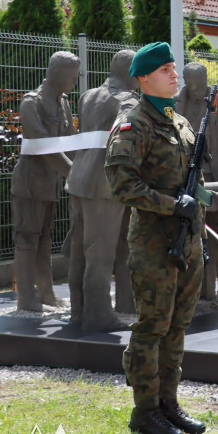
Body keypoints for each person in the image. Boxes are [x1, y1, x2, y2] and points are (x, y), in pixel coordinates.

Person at [105, 42, 208, 434]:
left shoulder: (179, 123)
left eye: (174, 67)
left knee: (178, 326)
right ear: (144, 77)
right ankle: (145, 410)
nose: (174, 73)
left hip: (187, 242)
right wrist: (170, 205)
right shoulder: (135, 123)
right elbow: (122, 185)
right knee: (153, 326)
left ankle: (169, 403)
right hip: (153, 244)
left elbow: (191, 181)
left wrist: (198, 204)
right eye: (165, 69)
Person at [66, 49, 138, 330]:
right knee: (100, 252)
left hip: (79, 179)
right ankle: (97, 316)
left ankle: (79, 311)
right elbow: (126, 141)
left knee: (81, 250)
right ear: (132, 74)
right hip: (105, 185)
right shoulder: (126, 100)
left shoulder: (88, 96)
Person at [11, 51, 79, 311]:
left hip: (50, 184)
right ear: (56, 73)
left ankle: (47, 294)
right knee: (27, 239)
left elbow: (70, 143)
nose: (74, 82)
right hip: (30, 182)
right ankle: (26, 298)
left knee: (44, 239)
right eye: (72, 77)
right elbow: (42, 144)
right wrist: (73, 172)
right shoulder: (31, 102)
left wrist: (85, 168)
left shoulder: (63, 103)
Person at [175, 62, 218, 298]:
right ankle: (194, 289)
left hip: (212, 177)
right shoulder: (175, 102)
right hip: (183, 176)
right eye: (191, 87)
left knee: (216, 232)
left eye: (199, 86)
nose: (196, 92)